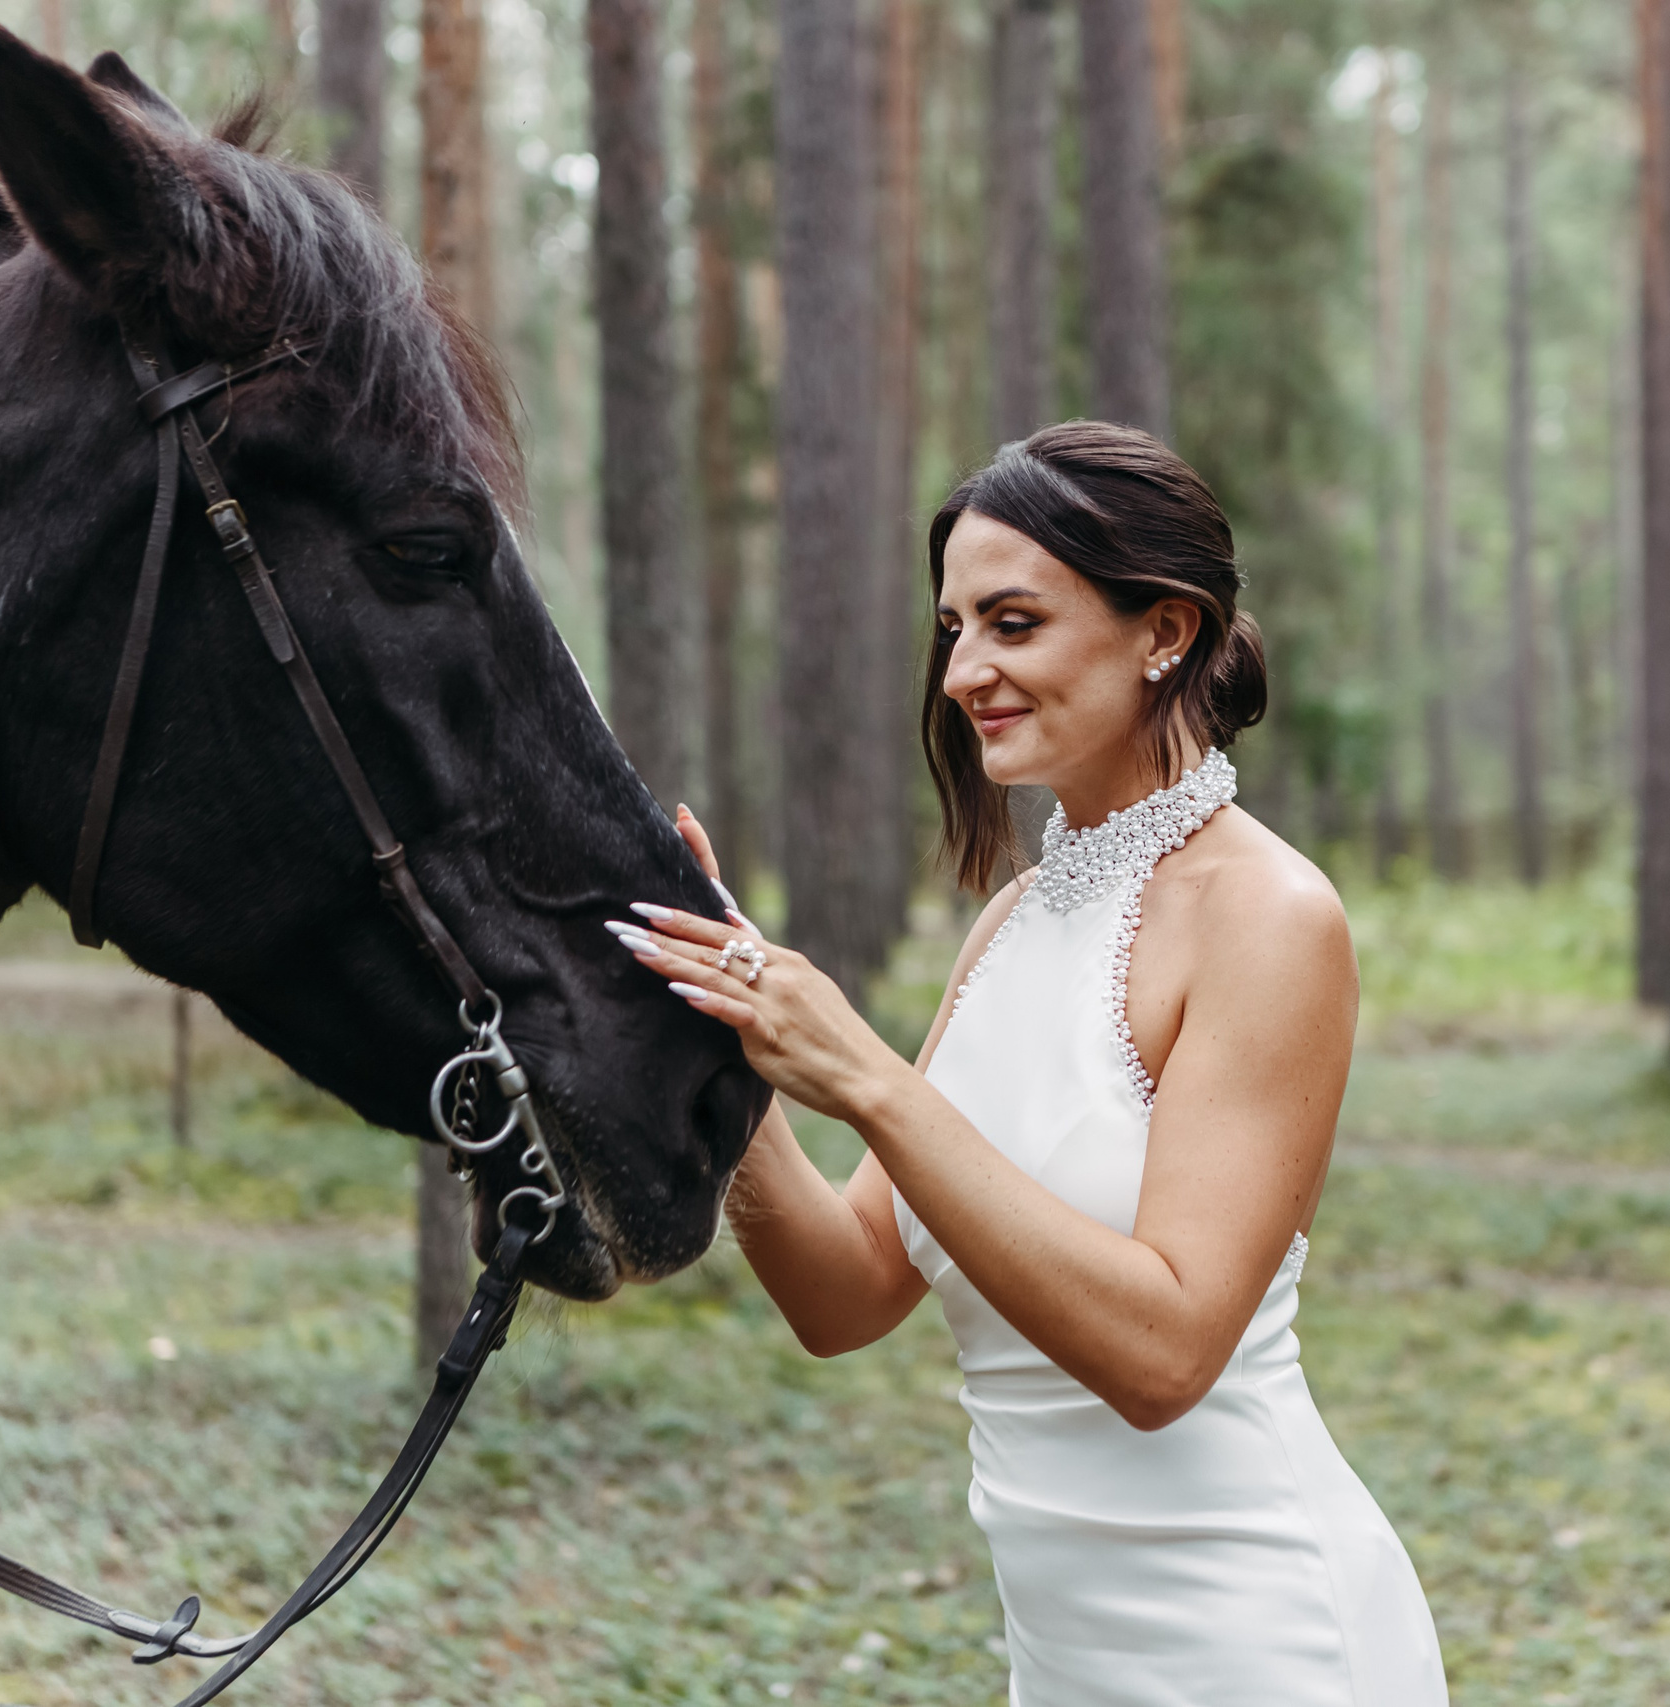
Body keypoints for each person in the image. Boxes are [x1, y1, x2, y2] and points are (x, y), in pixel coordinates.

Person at [604, 421, 1446, 1705]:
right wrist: (729, 1046)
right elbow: (846, 1298)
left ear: (1163, 630)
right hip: (1063, 1666)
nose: (963, 672)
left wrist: (872, 1082)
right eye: (954, 630)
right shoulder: (1013, 922)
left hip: (1258, 1645)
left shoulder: (1267, 916)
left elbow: (1164, 1356)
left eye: (1012, 623)